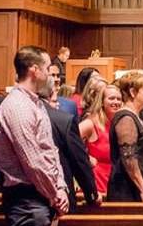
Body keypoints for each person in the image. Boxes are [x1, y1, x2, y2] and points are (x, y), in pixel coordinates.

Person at [0, 46, 69, 226]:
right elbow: (32, 160)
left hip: (42, 194)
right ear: (34, 70)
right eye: (47, 69)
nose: (51, 75)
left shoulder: (35, 102)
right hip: (27, 201)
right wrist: (54, 194)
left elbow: (50, 149)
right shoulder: (17, 106)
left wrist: (60, 186)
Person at [38, 77, 100, 212]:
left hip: (26, 198)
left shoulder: (19, 114)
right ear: (52, 93)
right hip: (61, 196)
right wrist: (91, 193)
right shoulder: (63, 120)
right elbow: (79, 160)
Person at [108, 72, 143, 202]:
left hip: (139, 188)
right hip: (128, 192)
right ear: (132, 92)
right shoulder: (126, 118)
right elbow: (129, 158)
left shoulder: (135, 116)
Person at [79, 84, 122, 194]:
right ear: (102, 102)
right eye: (111, 98)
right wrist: (86, 157)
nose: (116, 102)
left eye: (119, 99)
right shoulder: (91, 123)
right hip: (98, 185)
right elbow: (67, 142)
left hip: (116, 184)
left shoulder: (119, 123)